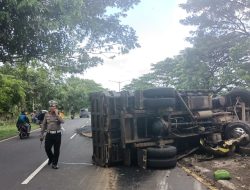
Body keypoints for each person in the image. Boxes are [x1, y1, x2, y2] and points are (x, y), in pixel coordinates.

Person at [40, 100, 64, 169]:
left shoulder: (59, 114)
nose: (52, 107)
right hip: (49, 134)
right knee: (47, 148)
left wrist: (57, 115)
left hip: (57, 134)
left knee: (56, 150)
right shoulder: (46, 114)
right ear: (49, 107)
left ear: (56, 107)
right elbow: (44, 124)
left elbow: (62, 122)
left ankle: (54, 164)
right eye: (51, 106)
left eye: (54, 106)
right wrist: (42, 134)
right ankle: (51, 158)